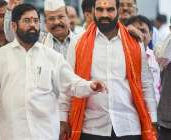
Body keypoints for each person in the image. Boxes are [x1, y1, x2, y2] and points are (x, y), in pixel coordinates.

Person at [0, 4, 106, 140]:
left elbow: (71, 84)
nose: (33, 25)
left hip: (45, 133)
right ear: (14, 26)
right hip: (13, 133)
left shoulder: (52, 57)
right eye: (27, 21)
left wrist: (90, 86)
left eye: (36, 21)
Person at [59, 0, 157, 140]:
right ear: (93, 10)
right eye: (100, 9)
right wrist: (63, 118)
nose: (104, 14)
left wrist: (153, 120)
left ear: (118, 10)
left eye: (110, 9)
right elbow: (67, 83)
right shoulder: (78, 42)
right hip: (91, 127)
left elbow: (146, 84)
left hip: (128, 127)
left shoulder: (134, 41)